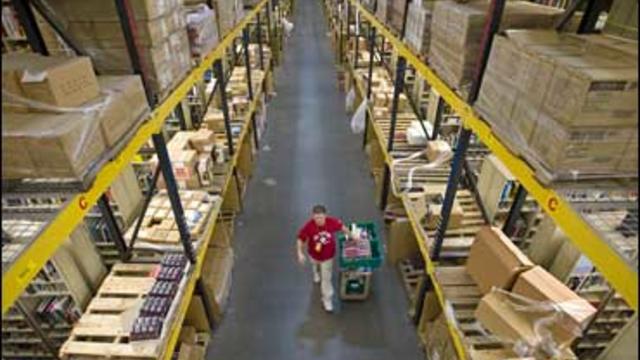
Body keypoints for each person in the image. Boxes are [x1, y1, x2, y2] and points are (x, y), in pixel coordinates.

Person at [296, 204, 356, 312]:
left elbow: (343, 228)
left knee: (326, 279)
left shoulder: (331, 222)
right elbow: (300, 238)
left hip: (328, 257)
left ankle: (327, 299)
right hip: (313, 255)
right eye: (316, 217)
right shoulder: (309, 226)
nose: (318, 220)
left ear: (325, 216)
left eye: (321, 217)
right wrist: (299, 253)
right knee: (315, 265)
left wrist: (352, 236)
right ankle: (315, 272)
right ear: (313, 216)